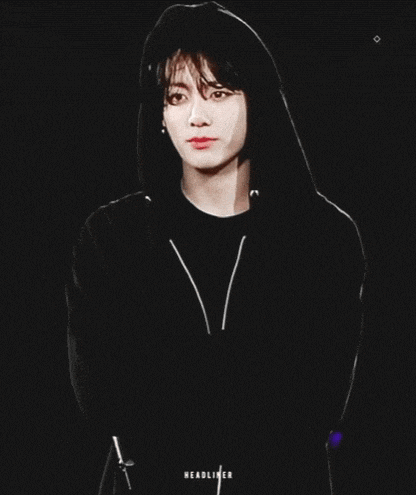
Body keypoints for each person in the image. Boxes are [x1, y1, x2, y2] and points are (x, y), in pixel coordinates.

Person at [66, 2, 366, 493]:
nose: (196, 116)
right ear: (160, 114)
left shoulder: (322, 238)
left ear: (258, 100)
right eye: (176, 96)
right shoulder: (111, 238)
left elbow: (317, 405)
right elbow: (103, 401)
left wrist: (173, 375)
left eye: (219, 92)